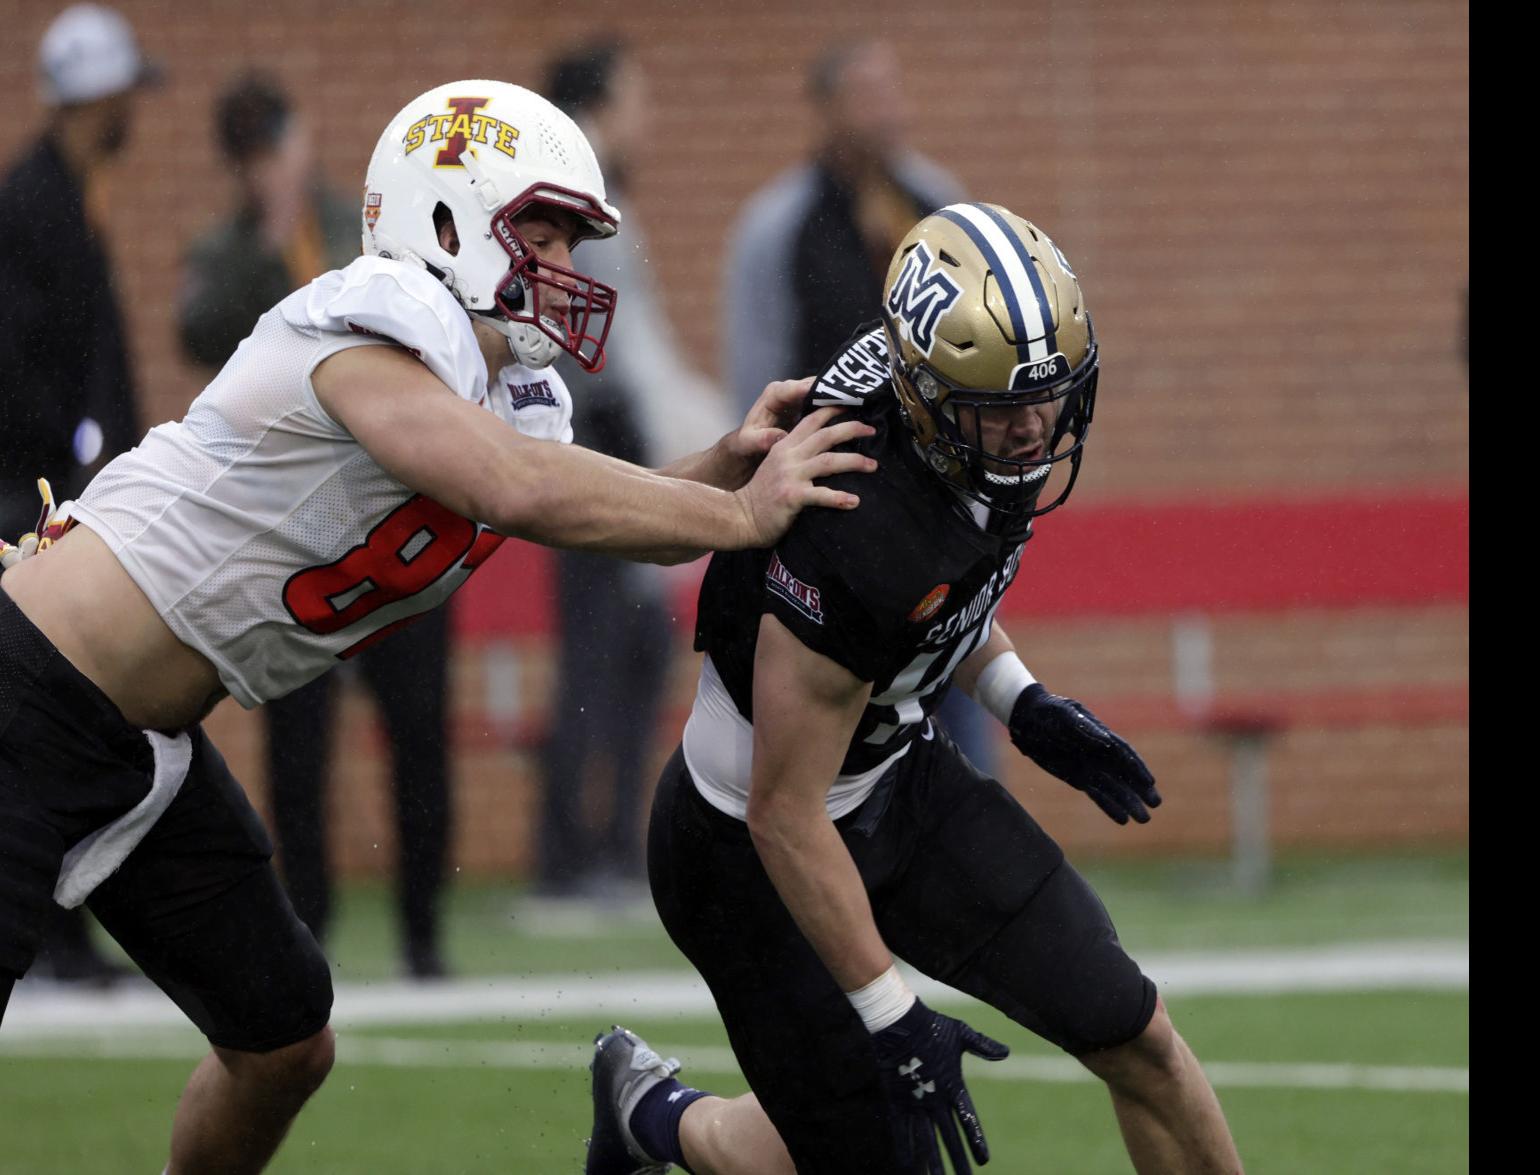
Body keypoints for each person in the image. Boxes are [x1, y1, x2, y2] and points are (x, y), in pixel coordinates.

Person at [0, 79, 873, 1175]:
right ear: (443, 222)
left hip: (145, 746)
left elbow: (613, 511)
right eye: (539, 233)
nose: (563, 268)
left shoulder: (505, 398)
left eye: (568, 239)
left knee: (282, 1037)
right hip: (28, 696)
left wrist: (721, 469)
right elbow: (511, 486)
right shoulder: (372, 314)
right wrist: (740, 513)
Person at [587, 204, 1244, 1174]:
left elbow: (940, 604)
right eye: (1000, 410)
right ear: (930, 401)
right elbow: (782, 810)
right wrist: (891, 1009)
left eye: (1046, 399)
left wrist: (1018, 695)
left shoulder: (953, 423)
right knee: (879, 1152)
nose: (1030, 431)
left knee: (1134, 1032)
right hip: (749, 853)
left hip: (892, 780)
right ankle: (655, 1115)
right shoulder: (860, 523)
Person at [178, 71, 455, 978]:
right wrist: (265, 239)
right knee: (299, 754)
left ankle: (423, 933)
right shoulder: (229, 248)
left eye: (276, 144)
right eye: (251, 154)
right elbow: (203, 328)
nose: (269, 167)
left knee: (418, 731)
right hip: (300, 531)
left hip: (397, 513)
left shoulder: (358, 227)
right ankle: (310, 931)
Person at [723, 37, 999, 780]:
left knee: (955, 692)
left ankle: (969, 825)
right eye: (867, 96)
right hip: (832, 507)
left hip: (940, 503)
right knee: (832, 733)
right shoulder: (777, 226)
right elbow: (755, 372)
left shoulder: (939, 204)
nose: (888, 112)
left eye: (893, 93)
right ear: (827, 110)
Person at [533, 39, 730, 903]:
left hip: (608, 427)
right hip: (598, 432)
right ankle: (572, 854)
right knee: (597, 645)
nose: (645, 120)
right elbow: (614, 351)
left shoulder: (592, 206)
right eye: (635, 100)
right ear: (600, 108)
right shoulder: (582, 205)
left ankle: (603, 843)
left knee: (630, 643)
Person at [0, 1, 163, 986]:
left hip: (64, 491)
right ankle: (53, 936)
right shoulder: (31, 202)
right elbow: (26, 373)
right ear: (94, 97)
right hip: (37, 500)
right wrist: (74, 465)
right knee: (46, 715)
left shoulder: (75, 191)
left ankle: (67, 931)